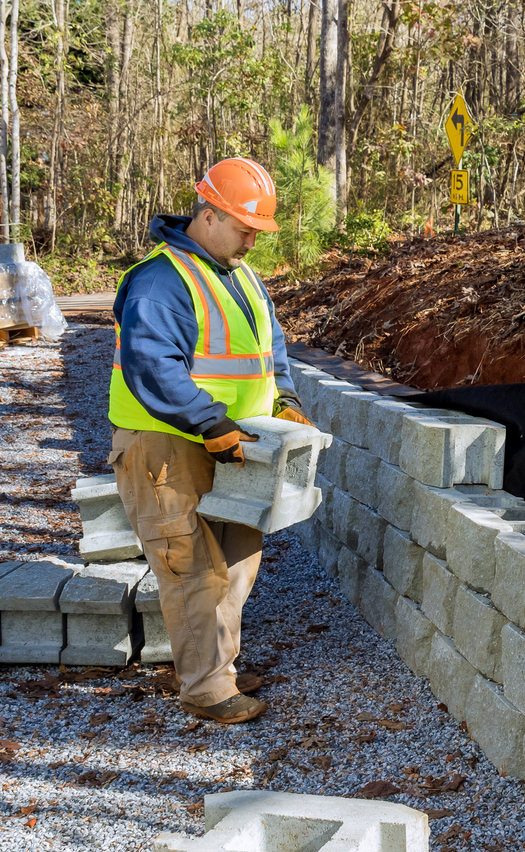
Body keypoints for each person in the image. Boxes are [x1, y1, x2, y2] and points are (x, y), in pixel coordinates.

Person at [108, 157, 311, 724]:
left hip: (235, 442)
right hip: (167, 446)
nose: (253, 241)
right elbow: (153, 369)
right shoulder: (160, 281)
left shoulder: (240, 274)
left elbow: (271, 351)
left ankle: (216, 666)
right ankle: (205, 687)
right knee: (191, 566)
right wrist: (211, 423)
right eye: (245, 228)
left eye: (257, 231)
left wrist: (285, 403)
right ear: (209, 214)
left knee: (239, 558)